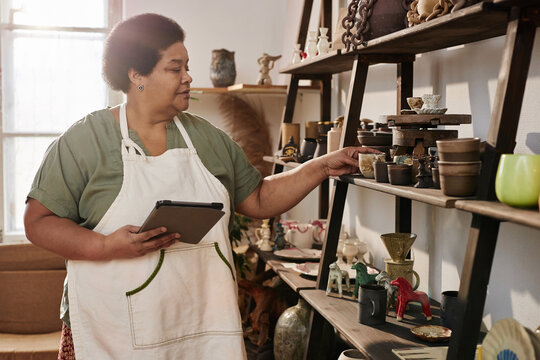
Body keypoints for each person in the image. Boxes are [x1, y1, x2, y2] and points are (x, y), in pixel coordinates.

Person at [23, 13, 379, 360]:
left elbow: (259, 197)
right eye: (175, 68)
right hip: (110, 330)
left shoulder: (207, 139)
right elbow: (37, 222)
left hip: (199, 328)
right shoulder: (85, 141)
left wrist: (321, 165)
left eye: (187, 66)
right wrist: (104, 245)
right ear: (137, 75)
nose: (188, 77)